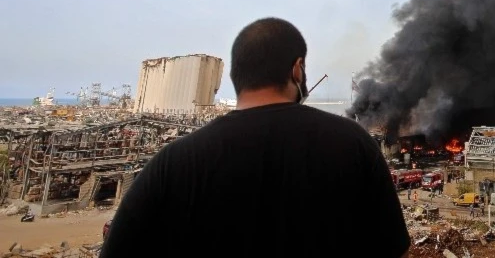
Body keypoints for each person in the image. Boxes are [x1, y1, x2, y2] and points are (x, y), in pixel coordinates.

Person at [100, 18, 410, 258]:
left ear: (236, 76)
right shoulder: (354, 144)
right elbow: (394, 247)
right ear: (298, 70)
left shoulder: (173, 161)